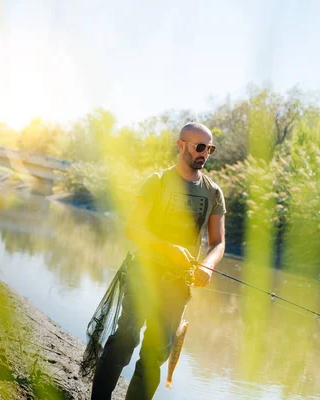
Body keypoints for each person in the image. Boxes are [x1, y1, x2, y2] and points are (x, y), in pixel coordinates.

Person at [90, 122, 227, 399]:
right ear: (181, 145)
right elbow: (133, 229)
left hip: (178, 286)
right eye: (199, 147)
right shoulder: (157, 182)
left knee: (155, 354)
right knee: (124, 340)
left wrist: (207, 265)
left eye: (209, 148)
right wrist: (168, 249)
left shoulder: (214, 192)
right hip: (143, 274)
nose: (204, 153)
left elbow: (218, 243)